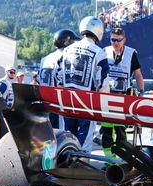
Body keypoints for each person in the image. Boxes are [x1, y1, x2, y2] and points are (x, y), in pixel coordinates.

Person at [58, 16, 110, 154]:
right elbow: (103, 83)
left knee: (68, 136)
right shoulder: (99, 52)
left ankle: (65, 163)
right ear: (99, 31)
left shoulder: (67, 49)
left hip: (67, 100)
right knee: (84, 141)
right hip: (87, 102)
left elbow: (58, 75)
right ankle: (80, 165)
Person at [101, 27, 144, 161]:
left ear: (124, 40)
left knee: (120, 129)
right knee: (107, 130)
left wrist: (141, 93)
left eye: (119, 40)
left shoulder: (131, 53)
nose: (116, 43)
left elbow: (138, 74)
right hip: (107, 96)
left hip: (122, 96)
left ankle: (123, 159)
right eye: (113, 40)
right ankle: (109, 161)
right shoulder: (105, 51)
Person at [38, 29, 80, 130]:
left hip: (44, 102)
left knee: (46, 133)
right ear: (67, 42)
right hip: (58, 102)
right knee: (60, 133)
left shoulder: (45, 58)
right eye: (73, 41)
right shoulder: (67, 57)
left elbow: (39, 79)